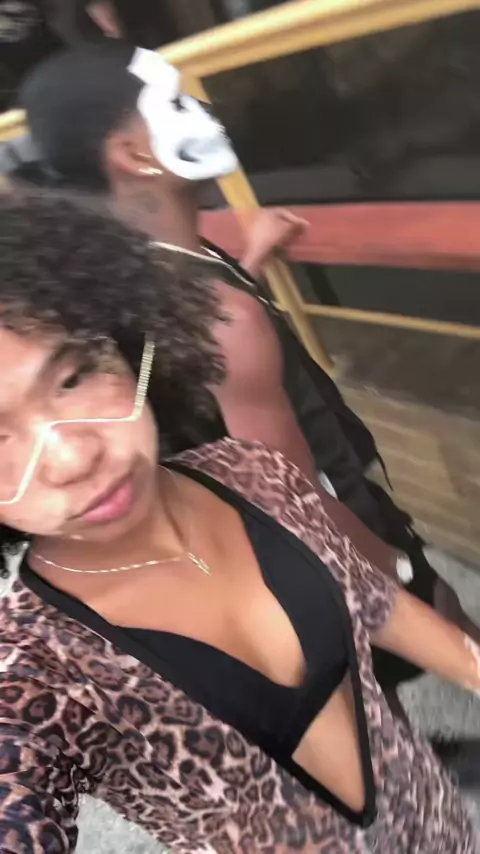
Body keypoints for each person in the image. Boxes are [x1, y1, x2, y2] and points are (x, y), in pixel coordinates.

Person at [0, 188, 478, 853]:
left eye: (75, 376)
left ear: (130, 344)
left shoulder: (250, 472)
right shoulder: (34, 669)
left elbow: (371, 602)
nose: (74, 456)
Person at [18, 44, 480, 730]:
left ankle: (391, 758)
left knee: (348, 675)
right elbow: (298, 500)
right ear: (135, 155)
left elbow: (203, 345)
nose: (206, 111)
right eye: (178, 102)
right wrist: (399, 571)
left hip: (234, 556)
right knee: (428, 632)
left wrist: (251, 259)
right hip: (321, 531)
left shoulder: (130, 272)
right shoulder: (222, 319)